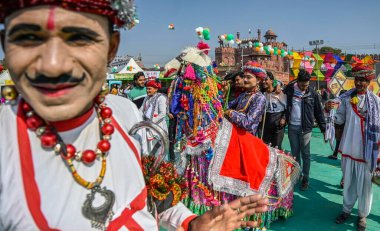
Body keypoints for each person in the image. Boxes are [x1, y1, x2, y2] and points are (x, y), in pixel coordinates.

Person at [0, 1, 268, 230]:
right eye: (27, 38)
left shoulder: (123, 111)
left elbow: (148, 195)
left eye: (80, 38)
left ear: (111, 47)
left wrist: (190, 222)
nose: (53, 65)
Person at [326, 65, 380, 231]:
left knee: (365, 186)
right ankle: (346, 210)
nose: (359, 83)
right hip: (349, 148)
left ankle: (362, 216)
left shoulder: (377, 102)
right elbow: (339, 120)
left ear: (368, 81)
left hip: (367, 153)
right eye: (357, 79)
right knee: (348, 182)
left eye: (363, 80)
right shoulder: (344, 99)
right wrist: (330, 110)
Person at [284, 69, 326, 191]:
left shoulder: (312, 93)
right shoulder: (290, 90)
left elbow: (318, 112)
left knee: (306, 154)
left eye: (307, 85)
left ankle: (305, 178)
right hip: (292, 127)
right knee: (295, 154)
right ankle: (297, 175)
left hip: (306, 128)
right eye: (303, 85)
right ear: (298, 81)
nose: (305, 87)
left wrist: (323, 128)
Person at [225, 62, 266, 136]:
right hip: (236, 133)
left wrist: (231, 113)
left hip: (246, 137)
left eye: (248, 77)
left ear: (258, 80)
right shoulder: (244, 94)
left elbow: (248, 123)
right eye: (244, 77)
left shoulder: (260, 98)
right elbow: (226, 106)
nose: (245, 80)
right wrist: (224, 92)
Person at [261, 71, 287, 149]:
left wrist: (284, 118)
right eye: (263, 80)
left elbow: (287, 107)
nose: (264, 82)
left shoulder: (279, 93)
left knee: (277, 147)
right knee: (266, 146)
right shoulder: (262, 93)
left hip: (278, 121)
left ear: (272, 81)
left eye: (266, 80)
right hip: (267, 121)